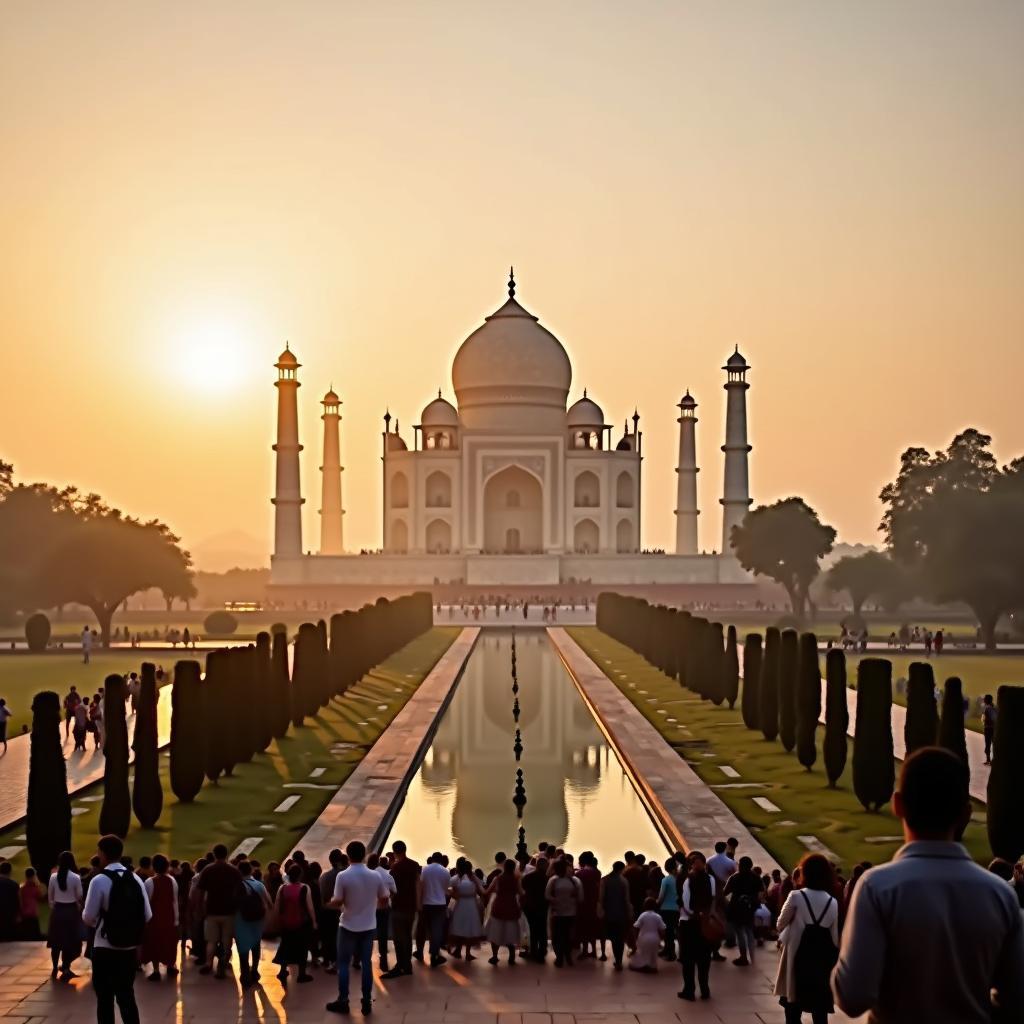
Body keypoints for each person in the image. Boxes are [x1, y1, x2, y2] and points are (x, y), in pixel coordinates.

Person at [833, 746, 1024, 1023]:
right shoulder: (1000, 895)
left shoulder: (878, 889)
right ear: (966, 814)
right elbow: (1016, 1000)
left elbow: (852, 997)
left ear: (898, 804)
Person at [82, 834, 152, 1024]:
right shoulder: (136, 879)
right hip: (128, 948)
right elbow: (148, 915)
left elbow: (88, 917)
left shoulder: (99, 880)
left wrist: (106, 922)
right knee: (127, 997)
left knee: (105, 999)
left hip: (104, 947)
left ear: (102, 854)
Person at [326, 840, 390, 1016]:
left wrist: (328, 904)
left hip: (348, 925)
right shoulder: (375, 876)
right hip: (368, 926)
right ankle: (366, 1000)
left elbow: (338, 901)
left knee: (344, 964)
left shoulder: (343, 876)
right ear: (363, 855)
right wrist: (374, 907)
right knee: (366, 964)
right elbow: (385, 898)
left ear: (348, 855)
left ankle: (343, 1000)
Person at [773, 854, 839, 1024]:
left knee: (792, 1009)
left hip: (797, 955)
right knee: (819, 1010)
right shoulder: (832, 902)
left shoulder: (796, 896)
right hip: (821, 960)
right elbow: (834, 938)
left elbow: (780, 924)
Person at [196, 843, 241, 978]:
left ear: (214, 854)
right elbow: (239, 891)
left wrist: (199, 908)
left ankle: (209, 963)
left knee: (211, 940)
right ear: (226, 854)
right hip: (229, 911)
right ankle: (223, 962)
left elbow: (200, 891)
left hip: (211, 910)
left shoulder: (208, 870)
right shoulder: (234, 871)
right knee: (227, 940)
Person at [678, 851, 716, 1002]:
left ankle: (689, 990)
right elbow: (712, 898)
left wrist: (695, 914)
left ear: (692, 865)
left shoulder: (688, 880)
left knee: (688, 959)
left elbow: (686, 903)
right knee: (704, 959)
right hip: (704, 922)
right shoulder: (710, 879)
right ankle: (704, 989)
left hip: (689, 923)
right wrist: (706, 914)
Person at [273, 863, 316, 985]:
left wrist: (277, 921)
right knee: (302, 947)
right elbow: (310, 907)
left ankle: (282, 970)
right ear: (300, 875)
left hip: (286, 922)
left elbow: (277, 906)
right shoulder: (304, 888)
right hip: (301, 922)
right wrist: (314, 921)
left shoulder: (282, 888)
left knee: (285, 945)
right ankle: (301, 974)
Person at [383, 840, 419, 979]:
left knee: (398, 938)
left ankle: (400, 965)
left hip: (398, 906)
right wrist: (418, 904)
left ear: (394, 852)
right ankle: (407, 965)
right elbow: (418, 885)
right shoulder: (414, 865)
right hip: (411, 906)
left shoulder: (395, 869)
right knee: (408, 936)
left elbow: (391, 889)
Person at [141, 855, 178, 981]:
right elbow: (175, 901)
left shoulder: (149, 882)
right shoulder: (172, 881)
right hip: (169, 916)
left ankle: (156, 970)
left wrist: (145, 919)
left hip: (155, 918)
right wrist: (176, 918)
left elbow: (146, 902)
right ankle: (170, 965)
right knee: (169, 942)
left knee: (155, 943)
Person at [47, 851, 83, 980]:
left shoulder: (53, 877)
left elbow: (50, 897)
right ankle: (66, 966)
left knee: (56, 941)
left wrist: (54, 907)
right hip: (71, 910)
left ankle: (55, 966)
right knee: (70, 940)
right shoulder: (75, 877)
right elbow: (79, 895)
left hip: (58, 910)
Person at [234, 860, 270, 986]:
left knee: (242, 949)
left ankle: (245, 973)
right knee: (256, 946)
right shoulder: (259, 885)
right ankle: (254, 970)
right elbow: (268, 902)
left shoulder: (236, 885)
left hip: (241, 921)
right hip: (257, 921)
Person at [723, 856, 761, 967]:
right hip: (750, 907)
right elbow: (761, 894)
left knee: (740, 932)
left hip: (736, 908)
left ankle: (743, 957)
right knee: (749, 931)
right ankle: (752, 956)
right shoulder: (756, 877)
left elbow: (725, 892)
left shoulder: (734, 877)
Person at [484, 857, 523, 965]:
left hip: (499, 907)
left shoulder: (498, 878)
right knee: (510, 932)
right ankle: (511, 956)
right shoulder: (516, 879)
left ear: (504, 867)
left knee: (495, 932)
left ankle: (495, 956)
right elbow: (521, 893)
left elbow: (487, 891)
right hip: (512, 907)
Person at [545, 858, 582, 967]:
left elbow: (547, 895)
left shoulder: (554, 880)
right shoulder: (574, 881)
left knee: (558, 936)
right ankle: (566, 957)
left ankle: (560, 957)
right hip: (567, 913)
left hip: (558, 913)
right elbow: (580, 898)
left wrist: (556, 900)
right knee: (566, 936)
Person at [447, 858, 484, 960]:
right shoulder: (473, 878)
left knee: (459, 927)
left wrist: (455, 895)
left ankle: (457, 950)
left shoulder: (456, 878)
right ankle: (467, 953)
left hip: (460, 904)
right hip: (471, 904)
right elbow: (482, 890)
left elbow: (450, 890)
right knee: (470, 928)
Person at [598, 860, 632, 970]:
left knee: (613, 938)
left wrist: (601, 911)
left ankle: (617, 961)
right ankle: (619, 960)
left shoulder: (605, 880)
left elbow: (601, 898)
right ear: (622, 869)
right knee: (620, 938)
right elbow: (627, 899)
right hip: (621, 914)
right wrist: (629, 912)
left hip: (609, 913)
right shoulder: (624, 881)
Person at [419, 852, 451, 967]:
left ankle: (419, 951)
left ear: (432, 859)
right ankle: (434, 955)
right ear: (441, 860)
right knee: (436, 930)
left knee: (423, 928)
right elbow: (446, 889)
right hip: (440, 904)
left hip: (426, 903)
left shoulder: (425, 869)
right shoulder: (445, 871)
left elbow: (421, 885)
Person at [318, 849, 346, 973]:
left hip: (327, 911)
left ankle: (328, 959)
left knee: (328, 937)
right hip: (339, 911)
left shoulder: (324, 877)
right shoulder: (344, 876)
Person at [369, 852, 396, 971]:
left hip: (368, 908)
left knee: (366, 933)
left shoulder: (366, 874)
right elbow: (394, 891)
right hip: (383, 908)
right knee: (382, 934)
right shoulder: (386, 874)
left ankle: (362, 957)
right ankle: (383, 959)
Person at [521, 855, 549, 962]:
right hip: (543, 907)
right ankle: (542, 952)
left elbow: (523, 888)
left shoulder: (528, 877)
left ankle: (533, 951)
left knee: (533, 930)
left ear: (536, 865)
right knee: (542, 929)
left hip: (530, 907)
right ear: (545, 866)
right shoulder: (547, 878)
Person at [630, 896, 665, 972]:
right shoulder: (658, 916)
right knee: (653, 955)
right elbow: (662, 929)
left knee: (643, 954)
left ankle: (643, 966)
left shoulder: (643, 915)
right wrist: (660, 939)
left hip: (644, 938)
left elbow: (635, 927)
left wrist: (636, 938)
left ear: (645, 906)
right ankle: (652, 967)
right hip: (655, 938)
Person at [656, 856, 679, 961]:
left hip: (666, 909)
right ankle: (668, 950)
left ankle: (670, 953)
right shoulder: (680, 879)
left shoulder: (666, 880)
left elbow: (661, 896)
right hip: (678, 909)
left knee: (668, 932)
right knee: (674, 931)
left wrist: (656, 904)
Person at [19, 867, 43, 939]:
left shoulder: (22, 887)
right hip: (33, 912)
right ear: (34, 875)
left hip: (24, 911)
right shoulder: (35, 887)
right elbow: (40, 897)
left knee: (26, 933)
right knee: (34, 934)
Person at [0, 861, 21, 941]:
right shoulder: (14, 884)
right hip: (10, 915)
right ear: (10, 871)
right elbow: (19, 900)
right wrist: (18, 914)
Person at [982, 694, 997, 765]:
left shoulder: (988, 708)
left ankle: (989, 760)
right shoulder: (995, 707)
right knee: (993, 744)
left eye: (985, 699)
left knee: (988, 744)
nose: (983, 700)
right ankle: (991, 760)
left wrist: (985, 720)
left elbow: (992, 718)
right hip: (993, 728)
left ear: (987, 700)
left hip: (988, 729)